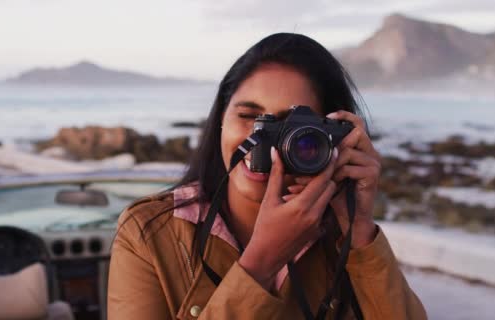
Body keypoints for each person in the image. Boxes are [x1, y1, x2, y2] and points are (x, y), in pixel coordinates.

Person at [108, 33, 427, 319]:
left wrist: (358, 228)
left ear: (329, 139)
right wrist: (260, 264)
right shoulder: (150, 233)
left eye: (291, 128)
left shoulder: (341, 239)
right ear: (220, 119)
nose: (262, 141)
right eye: (249, 117)